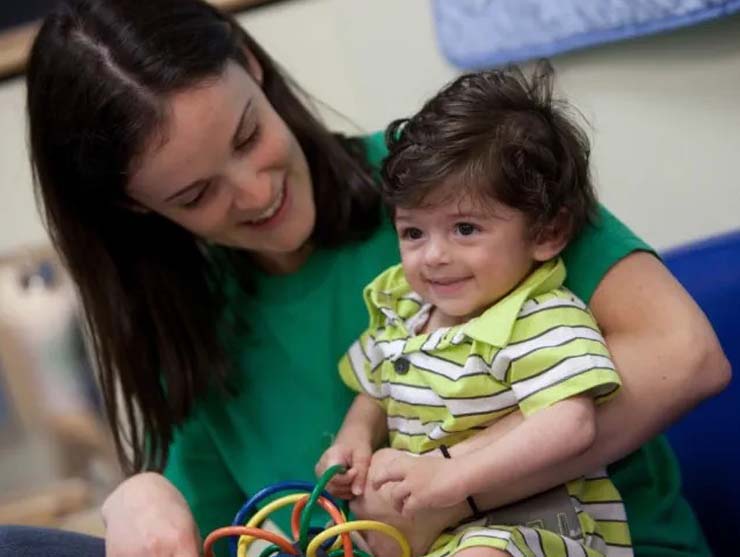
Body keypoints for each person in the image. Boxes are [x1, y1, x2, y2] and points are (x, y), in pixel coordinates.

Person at [0, 0, 729, 556]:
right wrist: (140, 493)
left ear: (253, 67)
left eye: (248, 136)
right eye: (195, 196)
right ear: (138, 207)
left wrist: (448, 483)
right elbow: (235, 525)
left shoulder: (458, 186)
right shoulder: (196, 322)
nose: (254, 195)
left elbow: (683, 354)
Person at [316, 65, 631, 557]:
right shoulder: (403, 306)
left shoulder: (541, 317)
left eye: (464, 228)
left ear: (547, 233)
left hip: (535, 528)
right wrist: (353, 441)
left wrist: (452, 478)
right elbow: (374, 391)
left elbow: (570, 424)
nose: (433, 255)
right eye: (413, 232)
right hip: (429, 532)